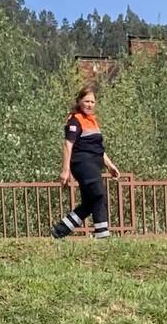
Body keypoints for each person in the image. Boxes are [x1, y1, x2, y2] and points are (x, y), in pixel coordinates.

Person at [51, 88, 121, 240]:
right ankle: (102, 235)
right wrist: (65, 170)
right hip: (82, 163)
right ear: (79, 102)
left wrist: (110, 165)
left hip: (95, 163)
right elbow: (68, 144)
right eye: (86, 101)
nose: (90, 105)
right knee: (99, 194)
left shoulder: (93, 121)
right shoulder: (75, 120)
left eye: (92, 102)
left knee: (90, 202)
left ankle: (60, 230)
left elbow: (98, 148)